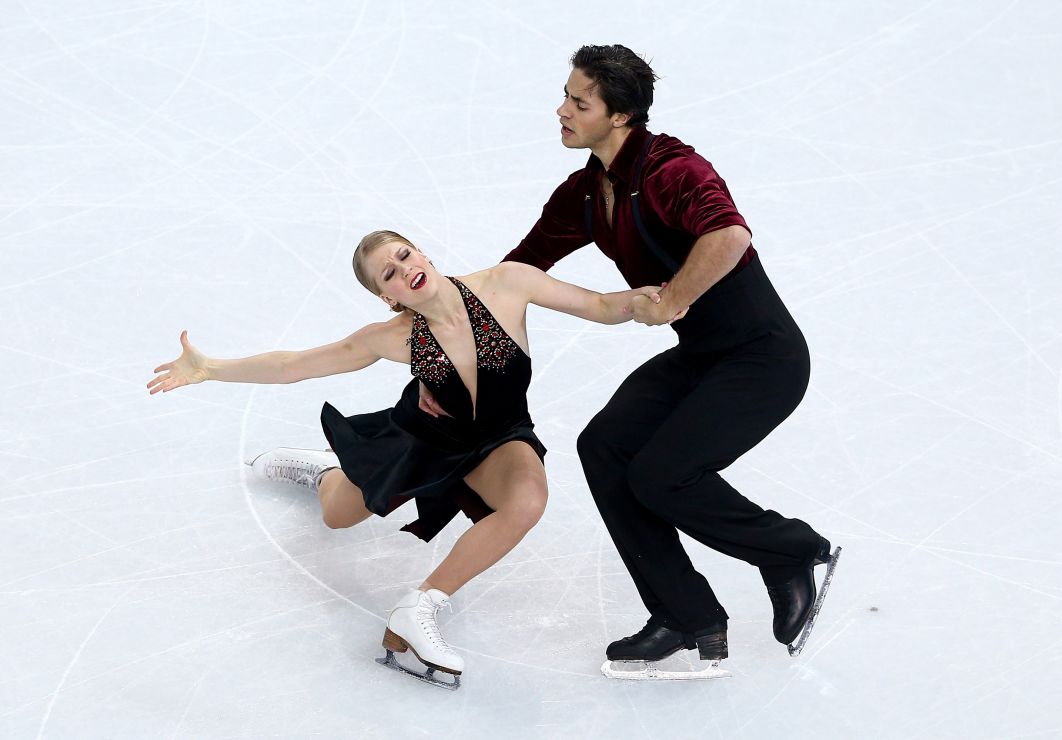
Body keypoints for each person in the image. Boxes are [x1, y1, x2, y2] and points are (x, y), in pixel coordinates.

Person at [422, 45, 840, 674]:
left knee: (663, 476)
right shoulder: (589, 192)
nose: (561, 109)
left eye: (578, 101)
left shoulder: (674, 170)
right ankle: (683, 613)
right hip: (701, 355)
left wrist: (672, 298)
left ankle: (791, 550)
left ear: (620, 116)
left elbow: (728, 236)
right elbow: (516, 271)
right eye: (566, 94)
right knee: (607, 447)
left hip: (763, 360)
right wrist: (436, 323)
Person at [147, 230, 663, 689]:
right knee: (338, 516)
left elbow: (599, 304)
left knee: (527, 499)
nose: (403, 270)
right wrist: (210, 368)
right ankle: (328, 469)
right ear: (386, 297)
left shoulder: (507, 284)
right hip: (424, 440)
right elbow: (292, 366)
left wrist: (656, 301)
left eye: (403, 255)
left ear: (423, 253)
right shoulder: (393, 338)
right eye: (388, 274)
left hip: (500, 439)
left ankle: (421, 607)